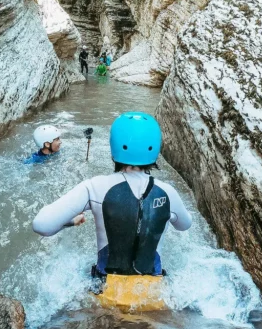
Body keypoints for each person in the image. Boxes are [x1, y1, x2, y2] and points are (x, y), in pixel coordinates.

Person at [32, 112, 191, 277]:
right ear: (155, 147)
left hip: (105, 285)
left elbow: (42, 225)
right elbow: (184, 225)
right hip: (153, 291)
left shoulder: (94, 186)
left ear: (113, 146)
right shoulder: (169, 191)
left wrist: (70, 222)